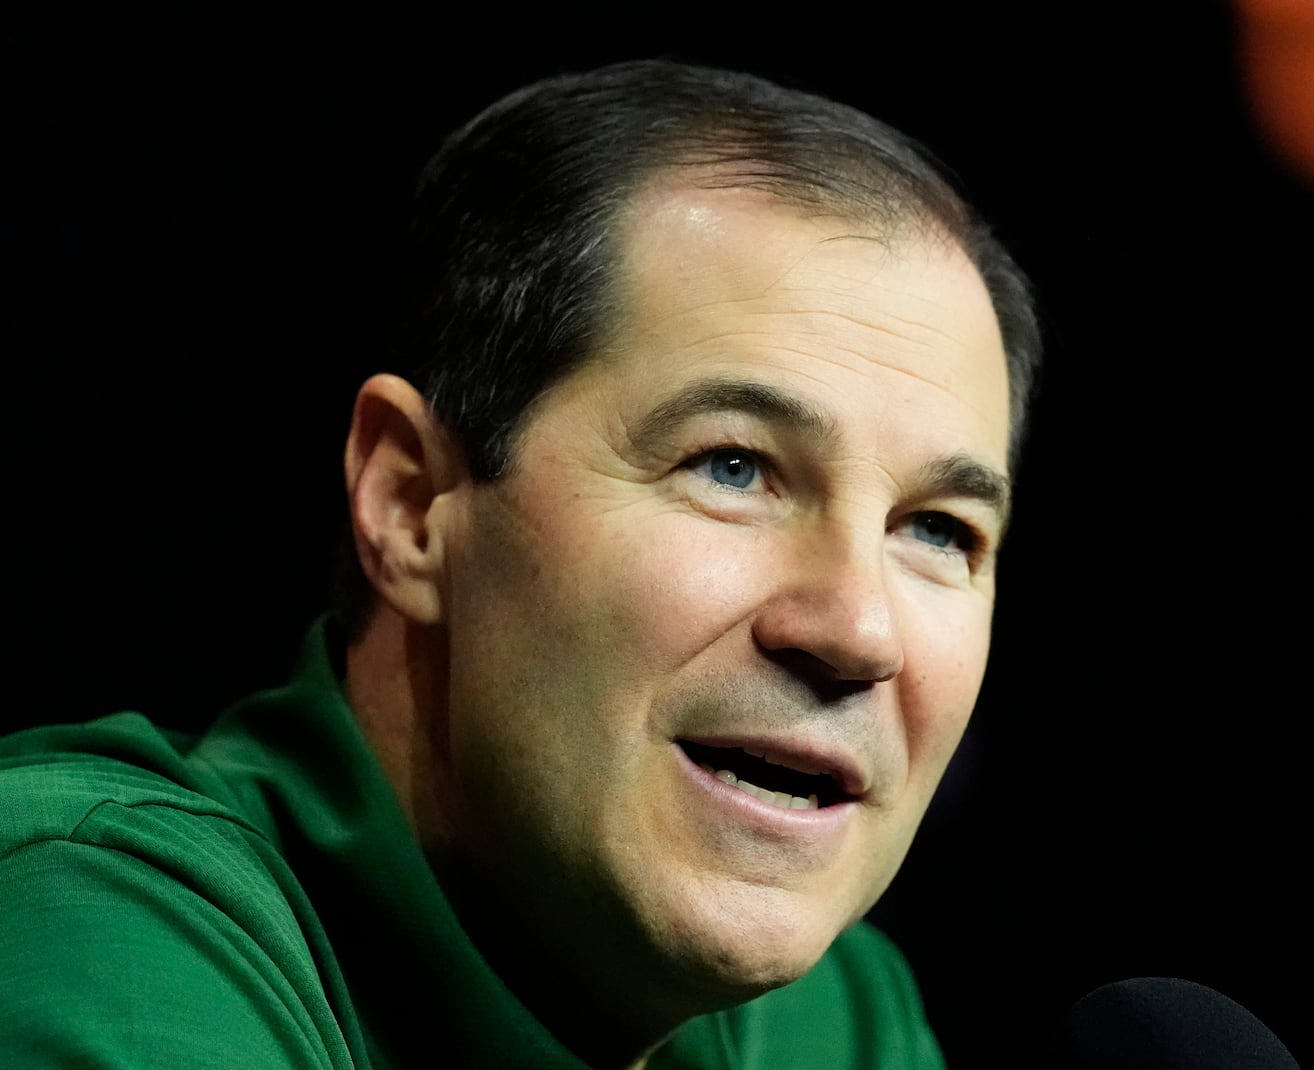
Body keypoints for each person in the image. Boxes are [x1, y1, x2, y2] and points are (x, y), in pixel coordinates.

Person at [0, 58, 1041, 1069]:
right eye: (732, 465)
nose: (859, 628)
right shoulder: (87, 923)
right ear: (410, 503)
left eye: (939, 530)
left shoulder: (831, 1024)